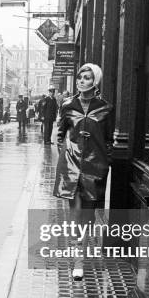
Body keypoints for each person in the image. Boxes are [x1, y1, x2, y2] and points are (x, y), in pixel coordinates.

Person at [53, 63, 114, 280]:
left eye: (87, 78)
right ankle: (78, 261)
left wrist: (103, 160)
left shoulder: (105, 108)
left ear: (95, 81)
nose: (81, 81)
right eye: (80, 77)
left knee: (88, 216)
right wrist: (67, 152)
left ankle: (81, 254)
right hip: (71, 165)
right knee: (75, 214)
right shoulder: (68, 105)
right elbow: (60, 134)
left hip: (95, 166)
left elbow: (108, 140)